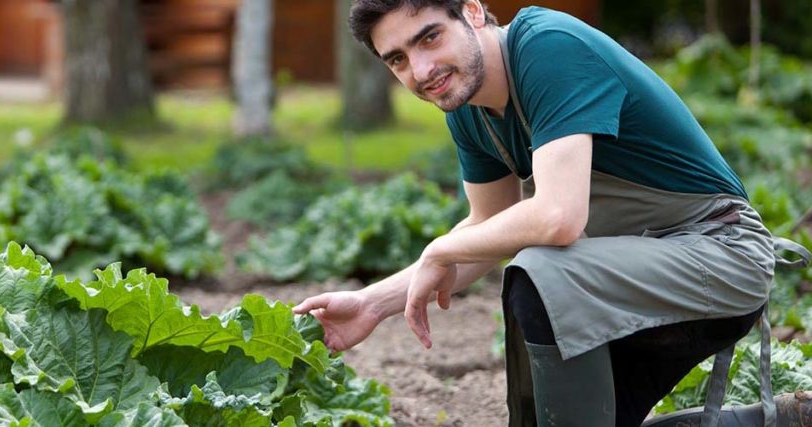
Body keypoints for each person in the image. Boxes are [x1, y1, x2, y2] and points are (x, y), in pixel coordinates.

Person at [291, 1, 811, 426]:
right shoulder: (470, 109)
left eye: (429, 38)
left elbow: (558, 219)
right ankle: (781, 420)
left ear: (472, 12)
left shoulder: (547, 47)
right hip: (632, 274)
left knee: (541, 269)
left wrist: (438, 248)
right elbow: (485, 231)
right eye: (398, 60)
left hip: (719, 254)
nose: (422, 70)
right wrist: (370, 304)